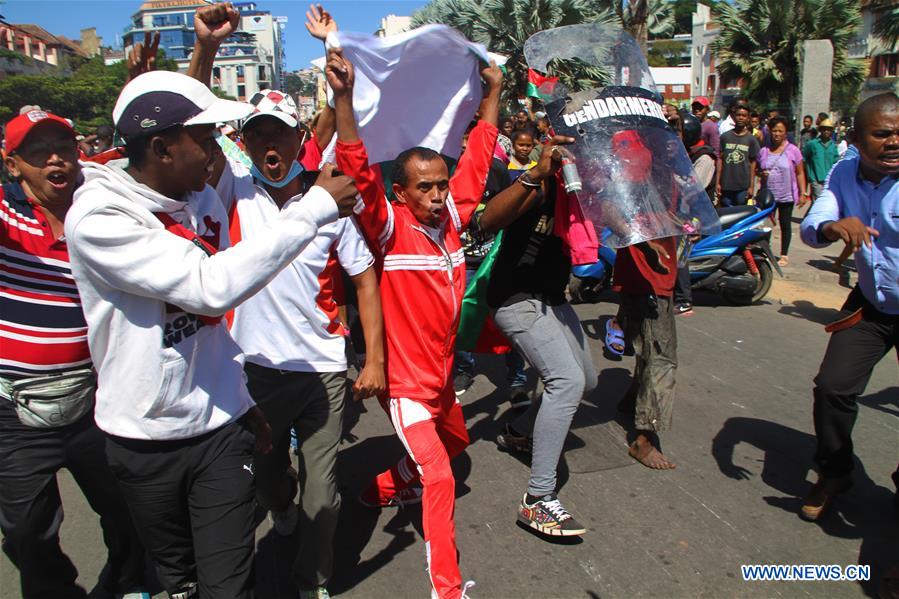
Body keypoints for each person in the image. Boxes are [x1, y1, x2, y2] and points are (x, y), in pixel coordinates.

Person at [64, 61, 359, 596]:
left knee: (230, 581)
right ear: (161, 150)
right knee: (179, 579)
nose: (220, 151)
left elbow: (211, 328)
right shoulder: (100, 220)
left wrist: (240, 401)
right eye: (206, 140)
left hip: (219, 429)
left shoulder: (200, 197)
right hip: (146, 436)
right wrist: (315, 208)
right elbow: (209, 288)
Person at [187, 6, 386, 599]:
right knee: (270, 484)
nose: (269, 144)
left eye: (279, 133)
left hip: (321, 371)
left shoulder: (330, 202)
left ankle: (311, 580)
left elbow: (365, 280)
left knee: (322, 492)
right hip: (251, 374)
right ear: (244, 143)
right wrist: (206, 50)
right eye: (258, 134)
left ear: (300, 140)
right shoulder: (230, 193)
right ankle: (281, 509)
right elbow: (192, 124)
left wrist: (374, 359)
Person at [328, 46, 499, 598]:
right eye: (424, 187)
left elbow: (479, 157)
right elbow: (357, 165)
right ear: (399, 193)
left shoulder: (452, 218)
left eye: (441, 184)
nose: (437, 195)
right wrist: (344, 98)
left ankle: (382, 487)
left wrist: (494, 92)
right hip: (404, 386)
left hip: (442, 379)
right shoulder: (387, 227)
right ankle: (447, 588)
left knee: (456, 446)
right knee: (441, 475)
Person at [1, 109, 150, 599]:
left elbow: (152, 144)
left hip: (95, 397)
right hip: (16, 407)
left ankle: (126, 581)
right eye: (38, 152)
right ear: (13, 164)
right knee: (26, 529)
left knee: (125, 507)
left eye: (62, 148)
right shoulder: (4, 214)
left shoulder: (100, 203)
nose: (54, 160)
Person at [480, 135, 598, 537]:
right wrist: (535, 174)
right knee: (566, 382)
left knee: (588, 380)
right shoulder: (545, 182)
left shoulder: (591, 189)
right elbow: (487, 221)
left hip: (551, 298)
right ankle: (538, 500)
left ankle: (517, 432)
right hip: (516, 297)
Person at [798, 92, 898, 524]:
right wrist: (832, 226)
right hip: (871, 304)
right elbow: (813, 223)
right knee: (833, 387)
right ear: (856, 139)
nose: (895, 141)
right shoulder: (843, 172)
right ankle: (835, 472)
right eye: (883, 133)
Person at [453, 128, 529, 405]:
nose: (465, 152)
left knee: (511, 319)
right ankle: (464, 369)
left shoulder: (496, 171)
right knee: (459, 319)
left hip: (493, 259)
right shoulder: (446, 171)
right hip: (460, 262)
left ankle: (517, 379)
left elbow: (510, 209)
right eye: (461, 146)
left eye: (469, 145)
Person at [758, 116, 809, 266]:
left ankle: (784, 254)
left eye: (780, 131)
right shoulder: (764, 151)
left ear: (786, 132)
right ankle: (764, 252)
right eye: (774, 130)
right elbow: (758, 170)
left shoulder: (793, 150)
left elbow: (800, 173)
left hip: (786, 194)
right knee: (766, 225)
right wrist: (761, 174)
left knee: (785, 224)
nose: (777, 134)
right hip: (768, 195)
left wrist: (803, 192)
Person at [716, 102, 759, 206]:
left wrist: (751, 186)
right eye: (738, 115)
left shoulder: (751, 139)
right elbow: (720, 160)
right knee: (727, 213)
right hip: (726, 186)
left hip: (743, 187)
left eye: (744, 116)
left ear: (748, 118)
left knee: (741, 212)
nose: (740, 118)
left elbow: (753, 164)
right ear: (733, 117)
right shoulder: (725, 137)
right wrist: (718, 182)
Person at [803, 118, 840, 202]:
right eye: (824, 129)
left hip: (829, 181)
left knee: (827, 203)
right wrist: (811, 176)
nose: (826, 131)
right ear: (820, 130)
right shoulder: (812, 144)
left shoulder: (833, 146)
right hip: (817, 180)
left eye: (829, 129)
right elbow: (805, 158)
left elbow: (836, 161)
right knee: (818, 202)